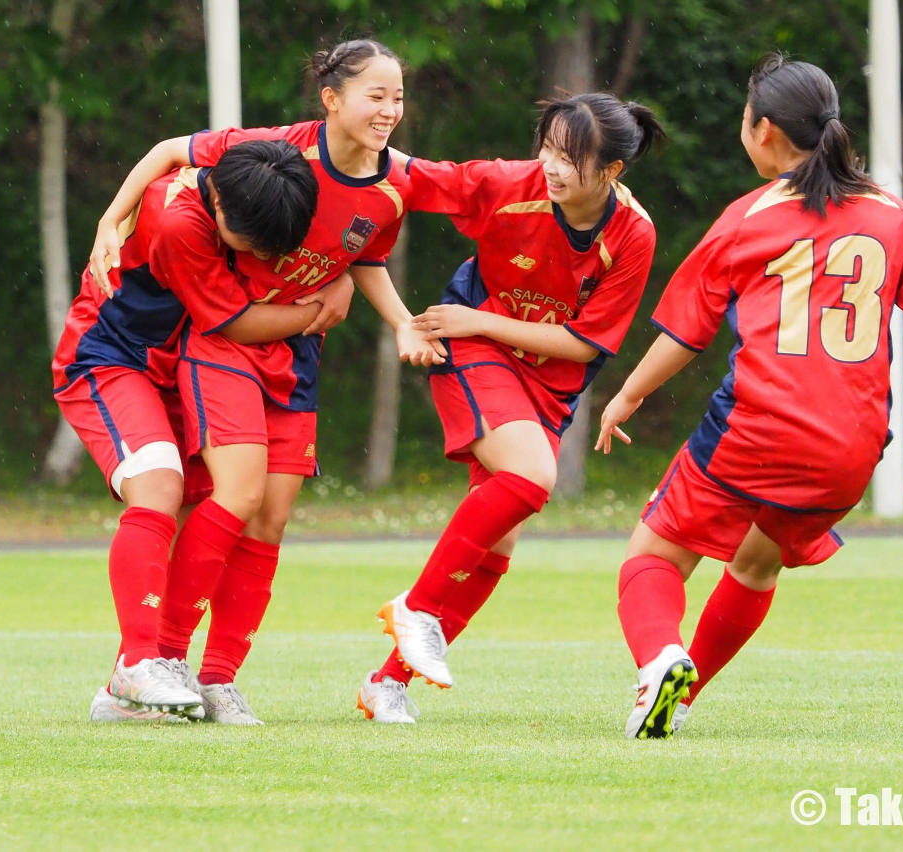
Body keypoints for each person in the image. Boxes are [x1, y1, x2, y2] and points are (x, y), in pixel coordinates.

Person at [597, 55, 903, 739]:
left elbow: (685, 333)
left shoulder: (749, 217)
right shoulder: (892, 217)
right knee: (756, 565)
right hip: (852, 446)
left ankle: (662, 660)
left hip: (760, 426)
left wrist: (627, 394)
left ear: (763, 131)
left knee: (654, 556)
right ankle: (679, 695)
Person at [87, 39, 443, 724]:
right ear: (331, 98)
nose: (390, 109)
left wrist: (399, 321)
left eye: (398, 96)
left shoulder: (395, 184)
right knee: (231, 492)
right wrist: (112, 218)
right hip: (225, 340)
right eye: (376, 94)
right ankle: (148, 664)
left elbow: (361, 252)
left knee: (272, 516)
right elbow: (170, 152)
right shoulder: (270, 154)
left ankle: (216, 678)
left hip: (294, 352)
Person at [358, 93, 665, 724]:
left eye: (570, 157)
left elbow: (584, 343)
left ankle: (386, 683)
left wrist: (482, 320)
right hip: (470, 344)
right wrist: (326, 146)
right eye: (548, 148)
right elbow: (408, 174)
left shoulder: (633, 234)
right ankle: (415, 608)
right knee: (532, 478)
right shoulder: (510, 185)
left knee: (497, 544)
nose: (550, 166)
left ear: (611, 173)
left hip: (547, 380)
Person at [53, 139, 319, 722]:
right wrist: (319, 309)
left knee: (195, 524)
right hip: (112, 359)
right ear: (220, 203)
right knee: (156, 485)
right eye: (250, 243)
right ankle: (138, 666)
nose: (263, 256)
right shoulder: (175, 221)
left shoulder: (261, 160)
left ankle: (126, 693)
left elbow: (170, 146)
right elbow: (231, 320)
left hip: (179, 371)